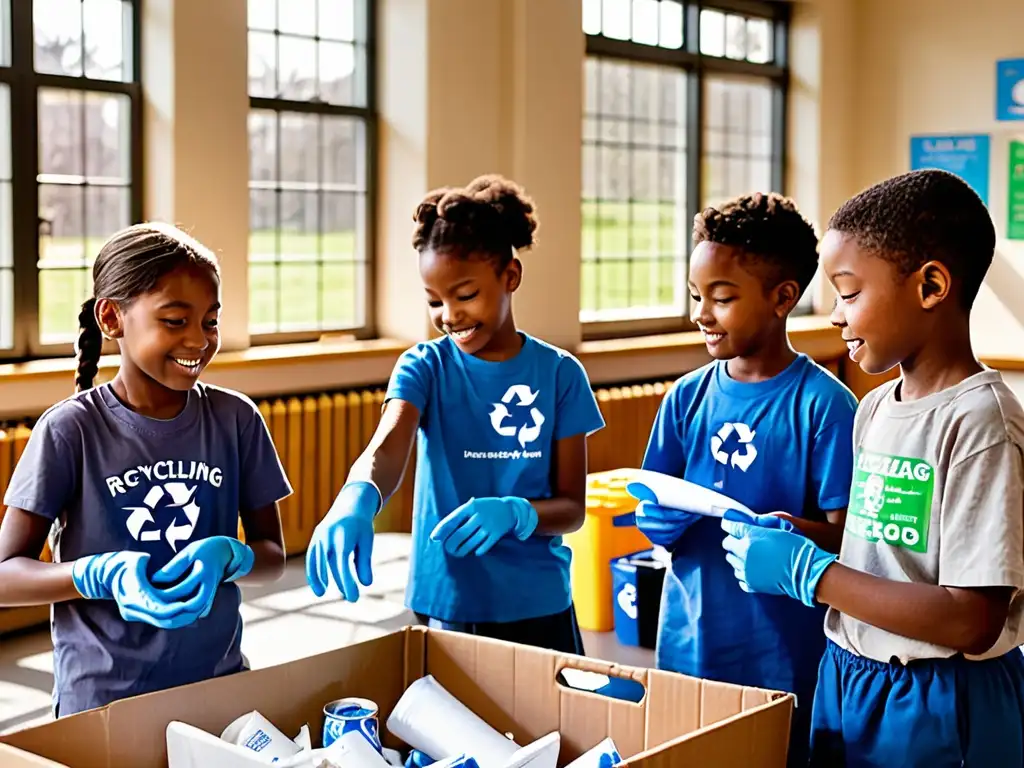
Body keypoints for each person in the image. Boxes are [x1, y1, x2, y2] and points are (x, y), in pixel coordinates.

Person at [721, 169, 1024, 767]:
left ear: (930, 286)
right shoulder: (875, 408)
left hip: (939, 695)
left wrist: (813, 576)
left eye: (849, 292)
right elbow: (884, 551)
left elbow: (972, 619)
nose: (835, 315)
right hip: (849, 674)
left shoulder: (981, 424)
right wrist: (809, 538)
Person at [0, 223, 291, 717]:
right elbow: (5, 577)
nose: (199, 340)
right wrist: (98, 574)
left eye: (211, 321)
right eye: (176, 321)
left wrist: (233, 556)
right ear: (112, 317)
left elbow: (272, 557)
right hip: (102, 700)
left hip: (217, 686)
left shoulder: (236, 420)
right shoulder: (70, 431)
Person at [305, 175, 605, 653]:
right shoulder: (425, 367)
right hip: (448, 601)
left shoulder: (559, 374)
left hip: (538, 602)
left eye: (465, 295)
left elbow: (571, 509)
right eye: (434, 301)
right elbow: (388, 445)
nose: (448, 315)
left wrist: (517, 513)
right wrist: (356, 496)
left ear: (510, 276)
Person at [633, 192, 857, 767]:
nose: (700, 314)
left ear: (783, 298)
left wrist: (793, 536)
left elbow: (850, 539)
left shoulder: (824, 405)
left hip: (784, 654)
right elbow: (652, 504)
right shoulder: (686, 397)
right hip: (690, 641)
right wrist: (654, 520)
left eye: (722, 298)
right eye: (695, 297)